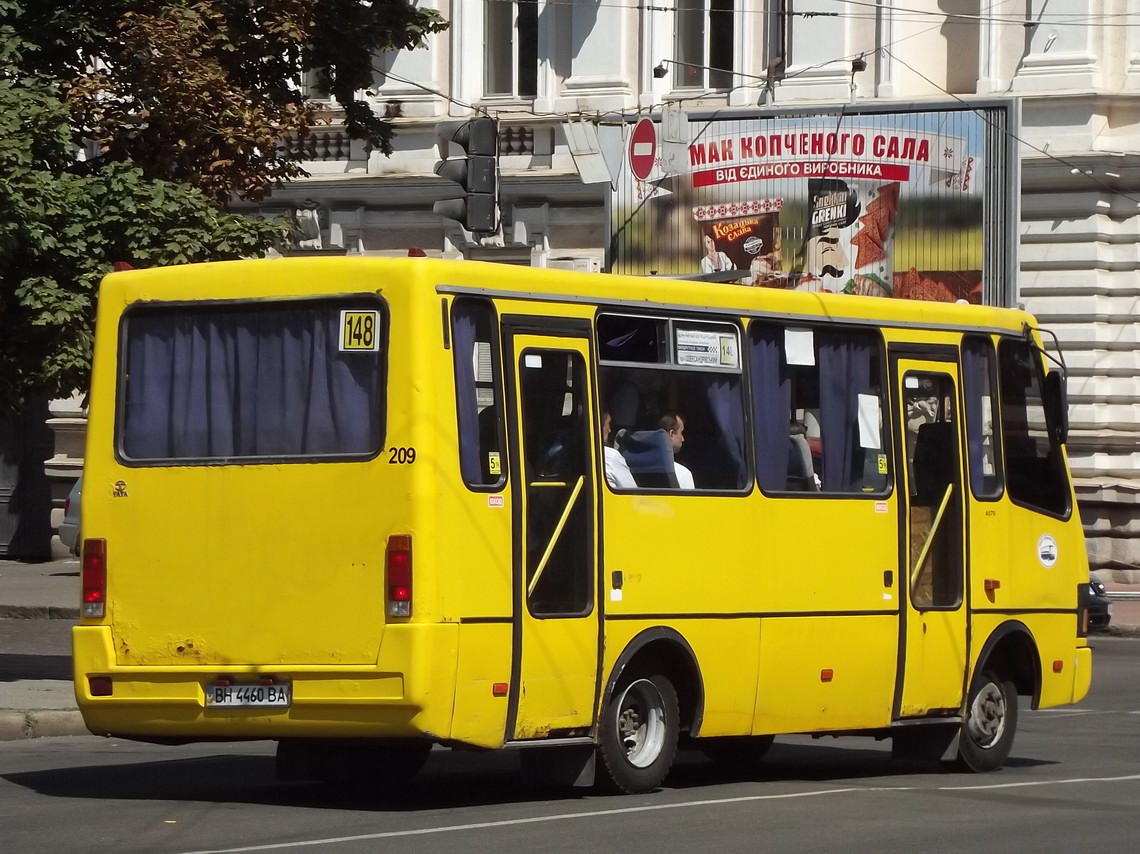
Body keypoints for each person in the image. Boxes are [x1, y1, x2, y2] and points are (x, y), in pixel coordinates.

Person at [657, 412, 695, 489]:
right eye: (681, 432)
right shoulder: (683, 474)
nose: (683, 439)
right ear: (672, 434)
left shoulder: (638, 467)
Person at [602, 411, 636, 489]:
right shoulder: (611, 456)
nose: (610, 430)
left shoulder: (575, 454)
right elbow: (632, 493)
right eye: (608, 424)